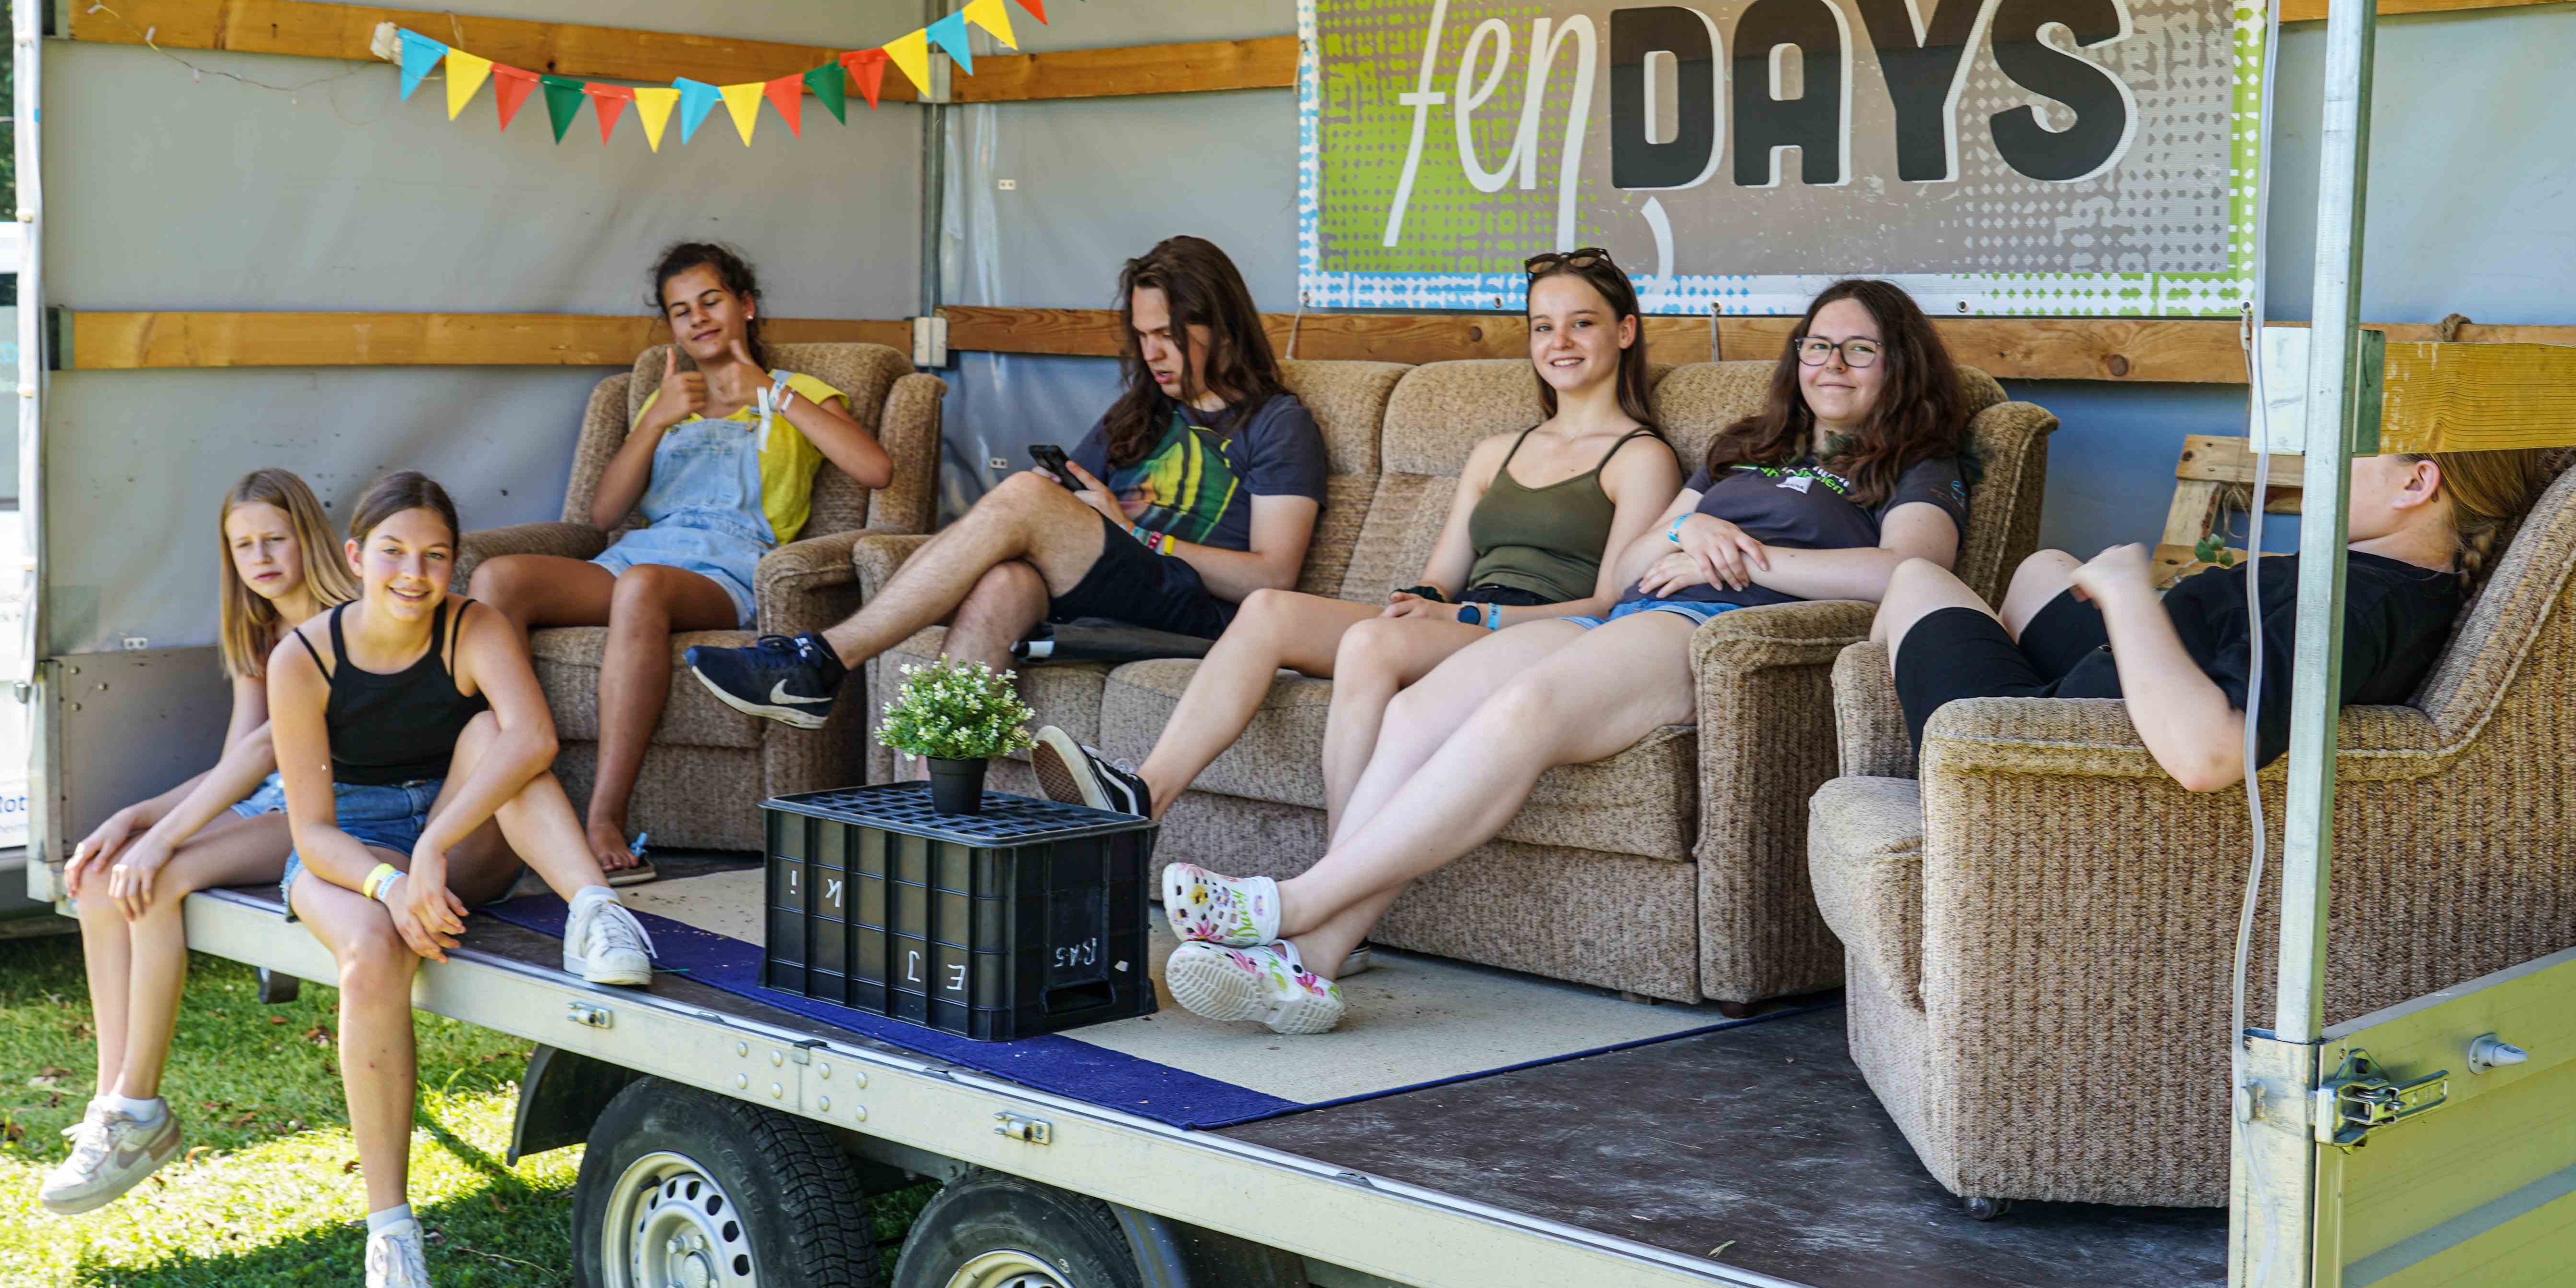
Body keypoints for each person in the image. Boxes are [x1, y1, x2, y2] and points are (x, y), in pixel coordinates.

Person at [1153, 279, 1975, 1035]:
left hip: (1713, 629)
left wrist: (1747, 557)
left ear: (1896, 363)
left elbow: (1908, 572)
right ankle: (1310, 967)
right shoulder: (1745, 445)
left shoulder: (1919, 463)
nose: (1833, 365)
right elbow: (1630, 564)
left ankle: (1288, 904)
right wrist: (1689, 528)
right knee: (1415, 711)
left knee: (1524, 710)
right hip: (1625, 613)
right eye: (1818, 346)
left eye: (1859, 349)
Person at [1029, 249, 1682, 834]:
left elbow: (1608, 607)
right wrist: (1423, 600)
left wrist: (1470, 616)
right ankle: (1145, 792)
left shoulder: (1640, 458)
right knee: (1268, 610)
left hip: (1536, 633)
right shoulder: (1495, 452)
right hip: (1460, 622)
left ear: (1625, 331)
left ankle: (1340, 871)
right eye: (1543, 327)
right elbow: (1441, 578)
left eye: (1582, 323)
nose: (1559, 342)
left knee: (1371, 642)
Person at [269, 471, 658, 1288]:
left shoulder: (472, 626)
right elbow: (313, 831)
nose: (414, 574)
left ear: (454, 563)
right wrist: (392, 883)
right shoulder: (303, 658)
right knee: (373, 952)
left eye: (435, 556)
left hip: (452, 835)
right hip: (351, 855)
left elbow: (534, 739)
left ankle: (595, 910)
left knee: (494, 736)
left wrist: (434, 846)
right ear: (355, 556)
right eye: (394, 553)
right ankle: (392, 1235)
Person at [687, 235, 1327, 726]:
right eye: (1142, 336)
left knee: (1024, 498)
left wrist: (1136, 534)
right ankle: (934, 808)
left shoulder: (1277, 424)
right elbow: (1062, 501)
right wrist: (1052, 508)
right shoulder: (1141, 412)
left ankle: (822, 659)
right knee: (1004, 582)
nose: (1152, 353)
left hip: (1194, 611)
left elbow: (1271, 578)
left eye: (1167, 336)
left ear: (1222, 328)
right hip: (1111, 587)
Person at [475, 243, 893, 882]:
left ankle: (604, 816)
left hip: (730, 568)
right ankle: (510, 777)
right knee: (496, 580)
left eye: (711, 300)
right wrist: (655, 420)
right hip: (642, 553)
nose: (697, 318)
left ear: (745, 306)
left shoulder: (797, 391)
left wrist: (773, 395)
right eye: (680, 310)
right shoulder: (664, 399)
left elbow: (876, 470)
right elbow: (603, 513)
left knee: (641, 589)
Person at [40, 469, 359, 1215]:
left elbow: (272, 756)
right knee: (100, 876)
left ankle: (142, 1110)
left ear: (309, 537)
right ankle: (111, 1103)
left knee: (158, 877)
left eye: (275, 539)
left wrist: (163, 839)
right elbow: (236, 765)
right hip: (268, 802)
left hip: (336, 809)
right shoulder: (261, 634)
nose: (261, 557)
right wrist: (134, 819)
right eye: (244, 545)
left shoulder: (343, 623)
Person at [1870, 447, 2547, 790]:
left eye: (2348, 444)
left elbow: (2210, 756)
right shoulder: (2403, 585)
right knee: (2043, 567)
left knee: (1915, 579)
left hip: (2067, 737)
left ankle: (1937, 792)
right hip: (2117, 692)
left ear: (2417, 483)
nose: (2319, 459)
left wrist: (2128, 593)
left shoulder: (2350, 605)